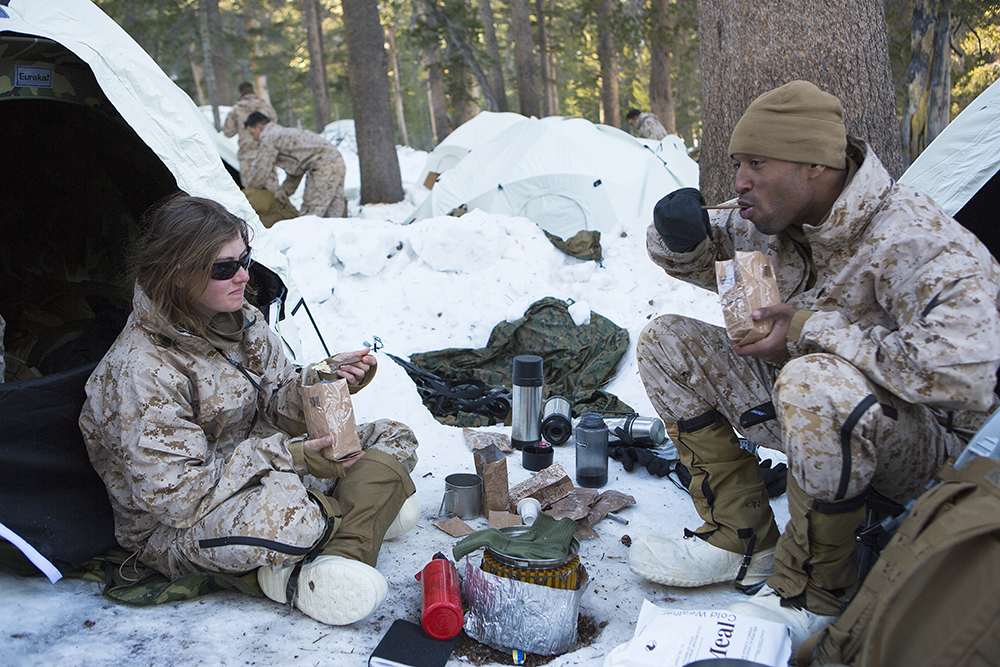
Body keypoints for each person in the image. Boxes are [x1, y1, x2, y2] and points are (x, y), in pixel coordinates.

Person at [629, 80, 1000, 649]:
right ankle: (741, 538)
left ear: (813, 165)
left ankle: (815, 591)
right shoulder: (781, 217)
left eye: (756, 163)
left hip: (931, 454)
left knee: (813, 374)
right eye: (736, 164)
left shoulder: (914, 237)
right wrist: (677, 235)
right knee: (665, 342)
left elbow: (963, 373)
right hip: (816, 414)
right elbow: (707, 251)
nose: (740, 181)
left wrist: (810, 330)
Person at [79, 195, 419, 626]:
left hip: (257, 468)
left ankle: (337, 549)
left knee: (393, 435)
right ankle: (353, 524)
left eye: (245, 259)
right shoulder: (143, 369)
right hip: (178, 524)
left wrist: (324, 381)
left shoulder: (241, 320)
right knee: (293, 519)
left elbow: (275, 398)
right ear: (178, 275)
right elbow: (178, 497)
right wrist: (288, 458)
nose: (243, 276)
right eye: (224, 268)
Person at [242, 112, 347, 218]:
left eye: (252, 133)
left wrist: (250, 191)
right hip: (336, 160)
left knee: (311, 214)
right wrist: (285, 190)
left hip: (323, 166)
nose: (253, 139)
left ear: (259, 127)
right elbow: (297, 168)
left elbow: (261, 169)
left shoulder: (268, 137)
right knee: (334, 214)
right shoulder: (281, 133)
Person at [222, 82, 278, 175]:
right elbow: (274, 126)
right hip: (267, 153)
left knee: (251, 187)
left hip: (247, 155)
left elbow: (228, 132)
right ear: (253, 91)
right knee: (270, 187)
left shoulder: (236, 110)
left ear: (240, 93)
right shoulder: (266, 106)